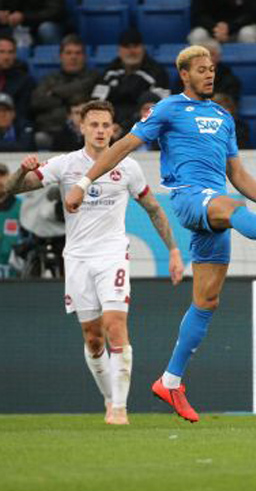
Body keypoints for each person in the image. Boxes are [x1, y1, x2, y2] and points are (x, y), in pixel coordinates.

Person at [63, 46, 256, 423]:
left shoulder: (223, 116)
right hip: (189, 198)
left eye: (212, 69)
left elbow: (237, 173)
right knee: (231, 208)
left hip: (213, 203)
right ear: (185, 74)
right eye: (202, 70)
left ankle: (170, 381)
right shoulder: (167, 109)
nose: (209, 75)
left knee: (207, 300)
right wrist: (84, 181)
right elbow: (121, 147)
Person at [0, 100, 184, 425]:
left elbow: (154, 209)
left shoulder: (128, 167)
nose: (100, 131)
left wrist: (173, 250)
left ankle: (120, 410)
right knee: (93, 337)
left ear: (113, 130)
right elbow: (10, 191)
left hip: (112, 254)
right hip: (78, 259)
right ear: (82, 127)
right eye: (94, 125)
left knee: (115, 326)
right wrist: (22, 171)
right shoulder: (66, 164)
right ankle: (109, 398)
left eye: (106, 126)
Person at [91, 29, 170, 132]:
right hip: (110, 127)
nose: (132, 51)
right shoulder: (110, 71)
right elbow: (96, 101)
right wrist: (107, 124)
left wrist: (125, 127)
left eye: (135, 46)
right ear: (119, 50)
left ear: (143, 48)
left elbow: (161, 107)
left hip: (142, 128)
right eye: (127, 47)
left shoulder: (157, 72)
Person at [30, 35, 100, 150]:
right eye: (69, 53)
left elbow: (93, 100)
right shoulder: (49, 79)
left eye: (78, 53)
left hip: (86, 134)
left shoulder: (93, 77)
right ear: (60, 56)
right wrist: (70, 98)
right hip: (52, 131)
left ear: (85, 57)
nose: (73, 57)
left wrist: (55, 93)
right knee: (38, 138)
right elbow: (36, 102)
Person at [0, 0, 65, 45]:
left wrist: (24, 17)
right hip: (10, 24)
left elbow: (55, 11)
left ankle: (54, 54)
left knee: (47, 28)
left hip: (40, 22)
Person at [0, 34, 35, 129]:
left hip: (13, 129)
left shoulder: (25, 81)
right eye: (1, 52)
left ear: (15, 55)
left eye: (10, 52)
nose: (6, 57)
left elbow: (23, 113)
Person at [0, 162, 22, 278]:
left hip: (15, 279)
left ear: (9, 177)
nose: (0, 180)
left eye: (2, 175)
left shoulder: (22, 206)